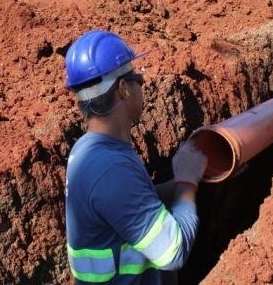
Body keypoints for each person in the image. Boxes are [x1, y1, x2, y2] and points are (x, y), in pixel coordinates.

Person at [64, 29, 208, 284]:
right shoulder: (110, 169)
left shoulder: (91, 150)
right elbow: (173, 252)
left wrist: (196, 175)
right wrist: (187, 184)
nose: (142, 82)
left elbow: (135, 201)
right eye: (136, 77)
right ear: (123, 89)